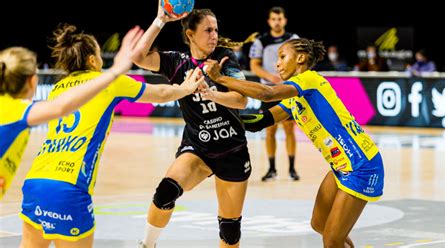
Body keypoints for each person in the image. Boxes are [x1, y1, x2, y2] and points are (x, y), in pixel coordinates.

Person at [18, 24, 203, 248]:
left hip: (35, 181)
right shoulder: (106, 82)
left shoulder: (58, 88)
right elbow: (162, 93)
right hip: (69, 185)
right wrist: (186, 88)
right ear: (92, 61)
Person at [204, 38, 385, 247]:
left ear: (300, 58)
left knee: (332, 239)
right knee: (319, 224)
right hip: (342, 166)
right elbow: (259, 121)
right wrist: (217, 119)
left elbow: (266, 93)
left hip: (361, 165)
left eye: (282, 57)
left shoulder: (310, 79)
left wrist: (221, 78)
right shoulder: (293, 98)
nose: (277, 63)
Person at [132, 2, 253, 247]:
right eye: (208, 30)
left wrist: (213, 94)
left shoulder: (225, 61)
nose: (215, 36)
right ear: (190, 34)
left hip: (232, 151)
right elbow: (137, 57)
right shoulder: (177, 62)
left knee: (230, 231)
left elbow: (241, 100)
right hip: (198, 149)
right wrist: (160, 21)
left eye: (216, 30)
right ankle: (147, 244)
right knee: (165, 192)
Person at [0, 26, 143, 200]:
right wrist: (115, 71)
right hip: (67, 185)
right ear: (32, 81)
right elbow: (61, 107)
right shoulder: (18, 111)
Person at [248, 6, 299, 181]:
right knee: (270, 130)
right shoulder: (261, 41)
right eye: (274, 19)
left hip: (288, 90)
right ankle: (272, 169)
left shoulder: (293, 39)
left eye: (280, 19)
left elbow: (301, 61)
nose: (277, 22)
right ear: (269, 21)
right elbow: (254, 65)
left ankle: (292, 168)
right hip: (269, 91)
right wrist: (270, 77)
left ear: (284, 20)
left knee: (289, 129)